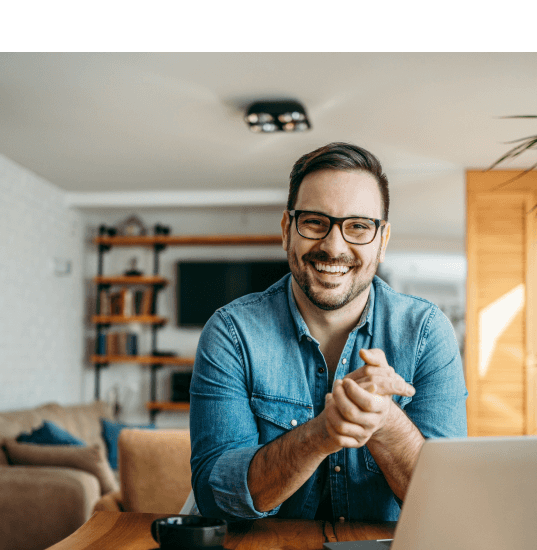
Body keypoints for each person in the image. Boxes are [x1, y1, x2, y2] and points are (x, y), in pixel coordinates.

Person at [189, 142, 467, 522]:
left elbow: (447, 506)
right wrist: (321, 433)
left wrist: (385, 421)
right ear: (288, 230)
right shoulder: (231, 332)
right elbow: (217, 499)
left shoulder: (426, 333)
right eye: (315, 222)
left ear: (382, 241)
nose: (334, 247)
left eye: (358, 226)